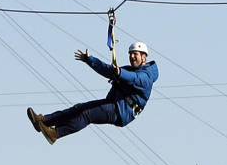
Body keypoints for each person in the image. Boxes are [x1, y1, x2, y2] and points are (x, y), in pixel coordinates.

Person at [26, 42, 159, 144]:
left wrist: (120, 73)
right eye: (130, 54)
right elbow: (107, 70)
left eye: (135, 54)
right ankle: (44, 121)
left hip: (122, 111)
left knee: (86, 115)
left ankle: (55, 133)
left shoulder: (147, 76)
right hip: (115, 103)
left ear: (144, 57)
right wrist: (90, 60)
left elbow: (135, 79)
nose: (132, 57)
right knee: (79, 108)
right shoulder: (130, 70)